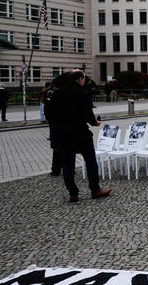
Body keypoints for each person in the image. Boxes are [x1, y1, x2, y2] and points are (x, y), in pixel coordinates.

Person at [45, 70, 110, 202]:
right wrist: (94, 123)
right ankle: (95, 190)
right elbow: (88, 114)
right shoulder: (83, 93)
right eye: (84, 79)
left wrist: (57, 125)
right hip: (81, 134)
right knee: (91, 161)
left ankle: (73, 193)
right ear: (80, 79)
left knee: (67, 165)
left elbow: (49, 114)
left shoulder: (57, 94)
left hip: (62, 136)